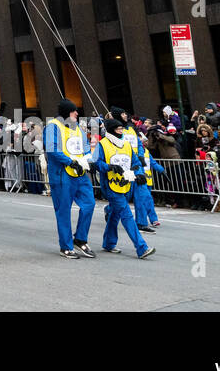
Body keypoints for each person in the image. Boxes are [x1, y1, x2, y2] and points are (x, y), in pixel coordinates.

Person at [93, 114, 154, 259]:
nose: (121, 131)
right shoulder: (102, 144)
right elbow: (96, 162)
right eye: (118, 129)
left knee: (115, 215)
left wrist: (139, 174)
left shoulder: (126, 144)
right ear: (111, 130)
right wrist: (109, 167)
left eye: (121, 129)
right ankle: (141, 247)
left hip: (126, 184)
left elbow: (136, 162)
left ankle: (109, 243)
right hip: (110, 186)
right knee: (127, 215)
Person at [43, 101, 96, 259]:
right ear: (67, 112)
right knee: (63, 210)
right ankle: (66, 246)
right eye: (74, 111)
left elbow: (85, 147)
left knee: (89, 204)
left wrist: (89, 160)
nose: (77, 114)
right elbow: (52, 149)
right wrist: (70, 162)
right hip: (62, 174)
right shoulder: (53, 126)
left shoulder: (77, 127)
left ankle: (80, 238)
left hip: (80, 173)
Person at [136, 143, 164, 231]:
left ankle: (153, 219)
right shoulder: (134, 151)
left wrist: (161, 170)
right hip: (139, 179)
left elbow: (153, 163)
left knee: (148, 200)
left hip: (148, 180)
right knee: (146, 199)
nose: (145, 143)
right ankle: (109, 210)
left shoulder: (147, 152)